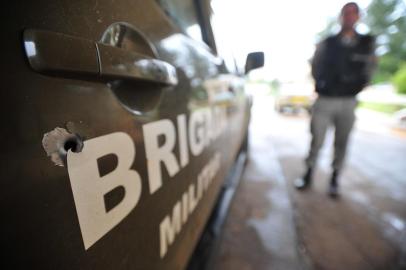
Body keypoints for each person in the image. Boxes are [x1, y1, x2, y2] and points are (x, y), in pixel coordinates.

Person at [295, 2, 376, 197]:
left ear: (358, 17)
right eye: (346, 13)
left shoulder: (366, 43)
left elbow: (371, 68)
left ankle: (334, 178)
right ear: (341, 16)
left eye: (353, 14)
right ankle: (308, 174)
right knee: (317, 138)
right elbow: (315, 65)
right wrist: (322, 84)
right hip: (326, 99)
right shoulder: (328, 42)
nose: (349, 17)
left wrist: (357, 86)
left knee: (342, 141)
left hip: (348, 101)